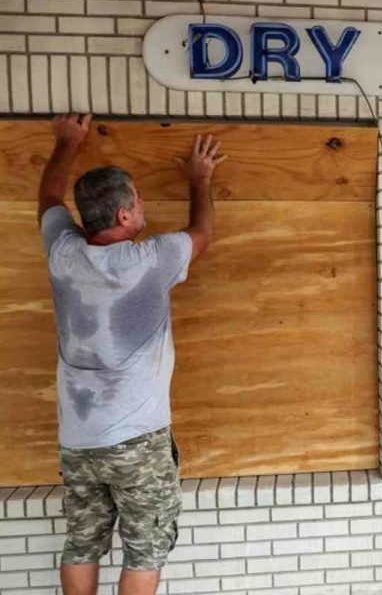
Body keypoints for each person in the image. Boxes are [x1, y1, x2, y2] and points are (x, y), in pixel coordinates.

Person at [37, 113, 226, 595]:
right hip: (137, 442)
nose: (142, 207)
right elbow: (202, 231)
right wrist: (200, 178)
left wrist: (65, 145)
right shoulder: (150, 259)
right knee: (145, 548)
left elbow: (47, 199)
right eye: (138, 200)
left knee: (81, 543)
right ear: (125, 216)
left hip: (78, 441)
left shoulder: (63, 251)